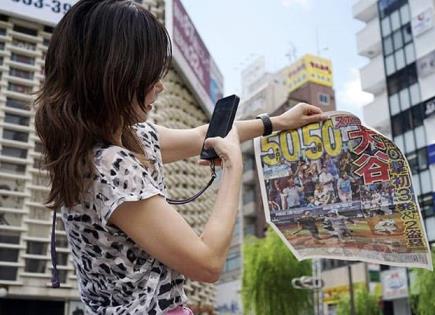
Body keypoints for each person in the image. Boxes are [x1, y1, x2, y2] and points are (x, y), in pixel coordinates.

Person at [34, 1, 326, 314]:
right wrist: (233, 168)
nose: (159, 86)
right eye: (150, 74)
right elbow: (208, 262)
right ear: (114, 75)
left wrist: (278, 122)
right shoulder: (109, 167)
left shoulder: (115, 144)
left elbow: (203, 136)